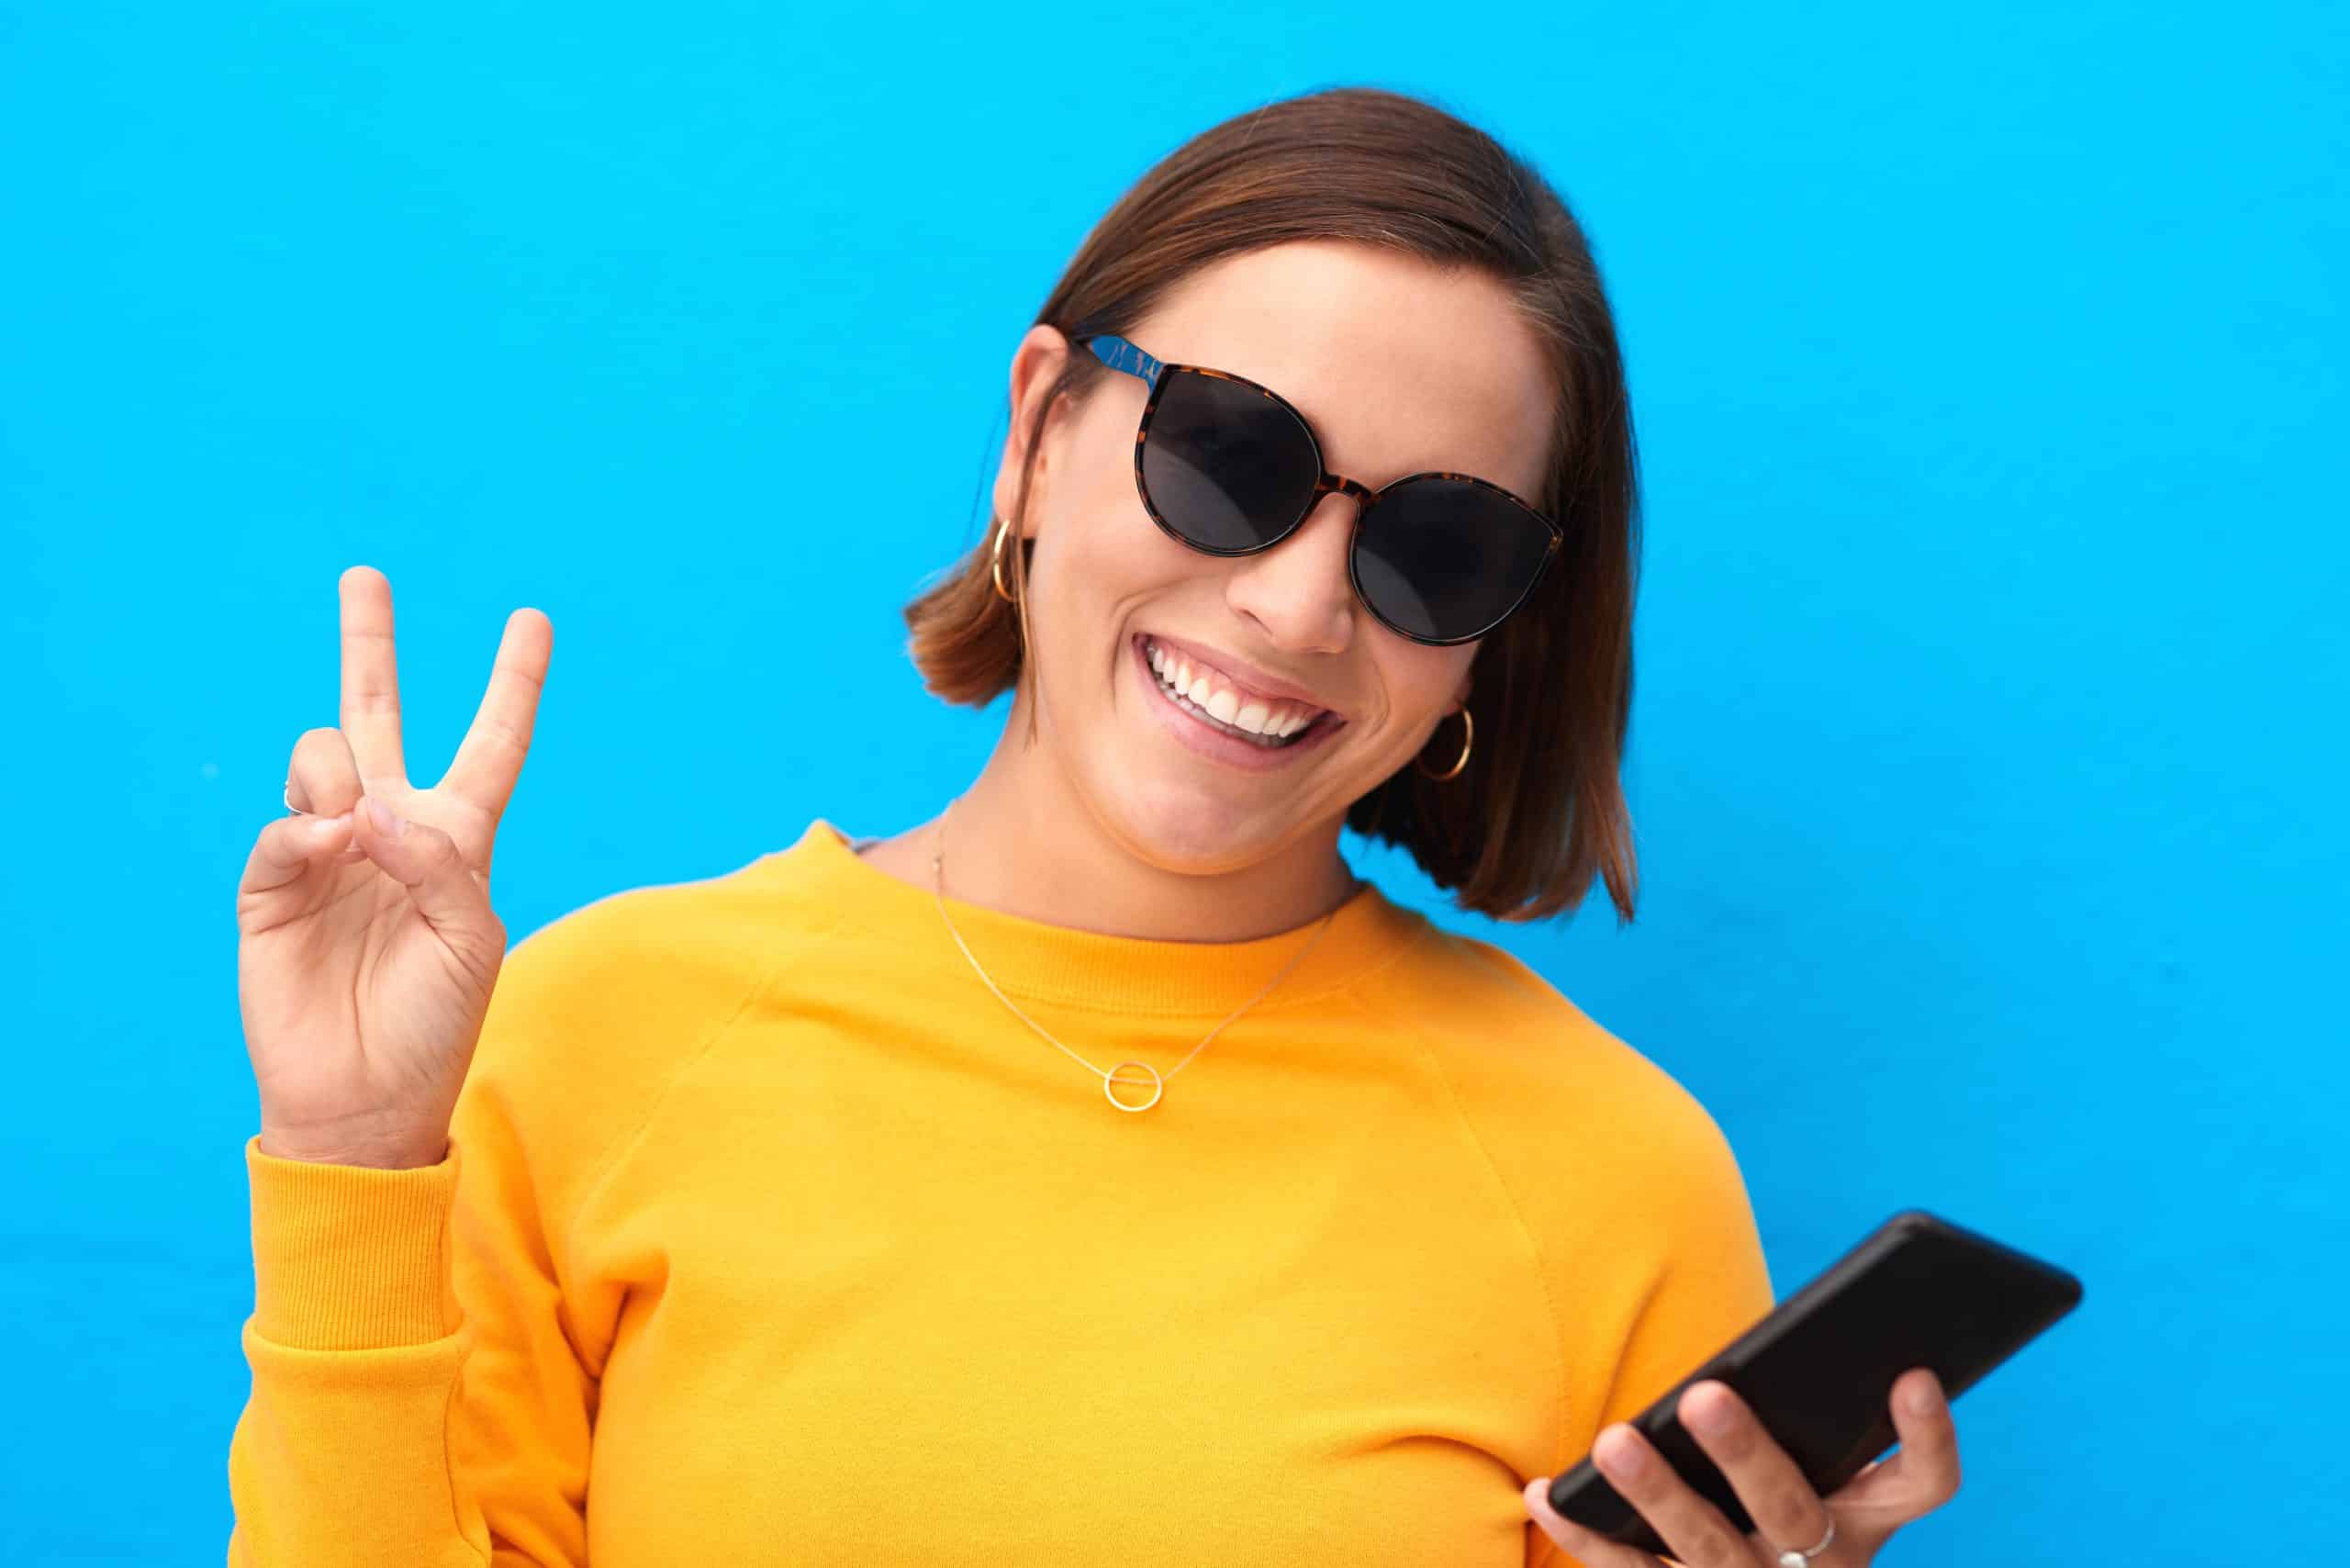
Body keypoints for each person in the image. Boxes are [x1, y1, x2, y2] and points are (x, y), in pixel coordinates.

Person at [225, 86, 1962, 1568]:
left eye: (1434, 549)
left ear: (1494, 637)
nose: (1293, 608)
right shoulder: (596, 1039)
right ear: (1042, 432)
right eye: (1231, 454)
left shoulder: (1613, 1179)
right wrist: (356, 1166)